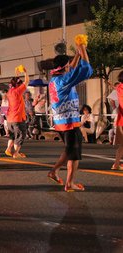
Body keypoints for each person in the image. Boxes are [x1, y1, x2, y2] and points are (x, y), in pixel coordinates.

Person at [47, 43, 93, 192]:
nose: (70, 67)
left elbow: (71, 68)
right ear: (64, 68)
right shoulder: (64, 80)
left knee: (68, 151)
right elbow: (86, 70)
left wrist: (77, 55)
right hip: (70, 123)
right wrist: (83, 49)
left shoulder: (54, 80)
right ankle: (69, 183)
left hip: (61, 122)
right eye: (68, 65)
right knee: (73, 155)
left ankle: (54, 172)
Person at [5, 68, 29, 159]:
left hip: (10, 119)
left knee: (12, 135)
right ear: (18, 85)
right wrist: (25, 72)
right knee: (20, 135)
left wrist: (17, 75)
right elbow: (26, 82)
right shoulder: (18, 91)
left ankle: (8, 148)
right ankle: (16, 153)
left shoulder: (9, 92)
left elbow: (16, 82)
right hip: (17, 118)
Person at [107, 72, 123, 170]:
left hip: (121, 120)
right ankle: (116, 164)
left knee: (122, 145)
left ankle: (116, 164)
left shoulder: (119, 88)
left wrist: (110, 84)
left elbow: (114, 88)